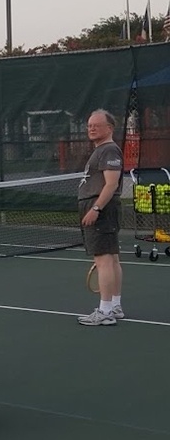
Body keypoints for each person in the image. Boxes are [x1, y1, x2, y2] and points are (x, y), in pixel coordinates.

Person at [78, 109, 124, 326]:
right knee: (112, 259)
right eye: (89, 125)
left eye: (96, 125)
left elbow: (112, 184)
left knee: (104, 259)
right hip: (100, 208)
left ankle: (105, 310)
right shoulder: (103, 150)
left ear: (110, 128)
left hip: (102, 209)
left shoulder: (109, 150)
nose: (92, 128)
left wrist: (96, 208)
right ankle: (114, 305)